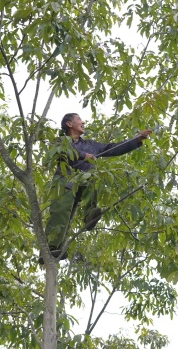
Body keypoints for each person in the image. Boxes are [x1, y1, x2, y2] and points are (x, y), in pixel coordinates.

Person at [40, 113, 152, 264]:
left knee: (93, 177)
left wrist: (136, 140)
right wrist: (82, 155)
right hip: (64, 182)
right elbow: (60, 151)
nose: (83, 122)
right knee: (60, 214)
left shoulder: (91, 145)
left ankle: (90, 214)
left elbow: (112, 148)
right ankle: (51, 248)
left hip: (85, 183)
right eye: (79, 119)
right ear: (69, 124)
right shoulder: (60, 141)